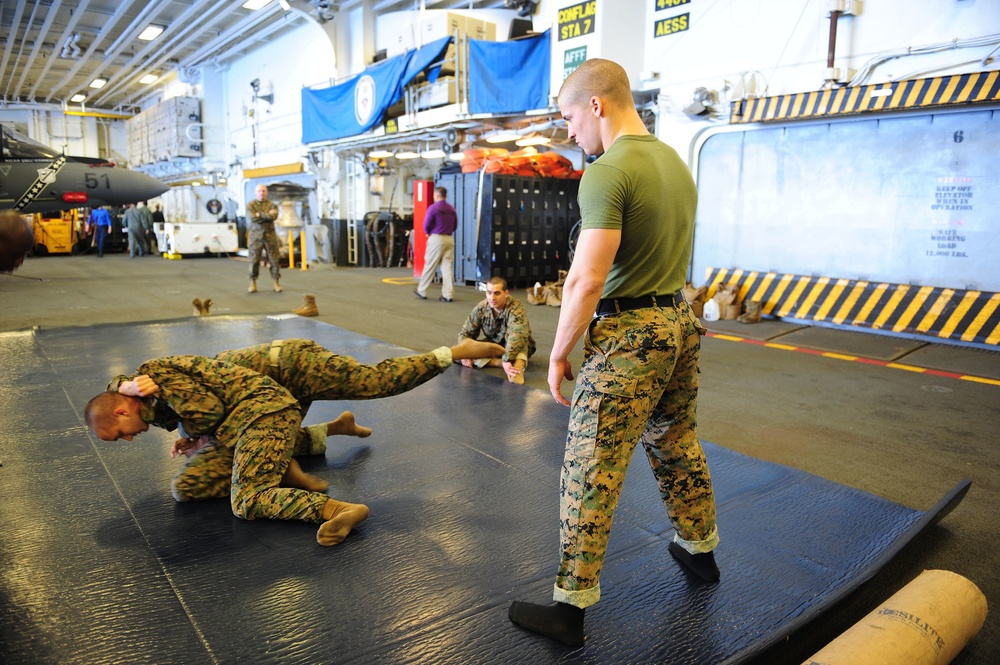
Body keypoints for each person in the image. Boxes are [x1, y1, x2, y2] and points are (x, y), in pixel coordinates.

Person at [508, 59, 720, 646]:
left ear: (597, 105)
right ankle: (700, 550)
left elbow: (585, 279)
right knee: (675, 438)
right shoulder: (674, 162)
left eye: (571, 118)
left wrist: (556, 354)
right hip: (679, 322)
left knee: (589, 464)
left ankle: (568, 611)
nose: (571, 133)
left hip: (630, 336)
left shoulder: (608, 171)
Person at [92, 337, 506, 546]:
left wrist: (194, 431)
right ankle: (330, 432)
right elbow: (179, 406)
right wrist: (192, 435)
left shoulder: (149, 380)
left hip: (290, 366)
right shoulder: (143, 395)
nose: (125, 441)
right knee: (197, 480)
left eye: (118, 435)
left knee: (373, 381)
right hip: (262, 394)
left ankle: (449, 353)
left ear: (123, 410)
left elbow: (209, 412)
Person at [458, 276, 536, 384]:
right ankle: (497, 363)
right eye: (489, 293)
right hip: (494, 345)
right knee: (456, 355)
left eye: (497, 293)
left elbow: (517, 336)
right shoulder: (482, 307)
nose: (492, 298)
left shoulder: (516, 308)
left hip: (517, 346)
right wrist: (464, 354)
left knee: (521, 344)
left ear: (506, 293)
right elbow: (466, 333)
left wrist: (507, 359)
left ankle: (516, 367)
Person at [414, 186, 457, 302]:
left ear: (436, 195)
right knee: (447, 267)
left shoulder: (433, 208)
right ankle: (448, 294)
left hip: (437, 239)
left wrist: (428, 233)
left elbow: (426, 225)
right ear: (445, 196)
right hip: (449, 239)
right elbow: (455, 226)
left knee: (430, 265)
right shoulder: (452, 209)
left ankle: (422, 291)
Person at [246, 184, 282, 293]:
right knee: (254, 260)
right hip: (255, 237)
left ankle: (276, 282)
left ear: (266, 192)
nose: (261, 193)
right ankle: (252, 282)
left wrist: (259, 214)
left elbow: (273, 217)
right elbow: (252, 217)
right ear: (255, 193)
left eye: (263, 191)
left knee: (274, 260)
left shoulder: (272, 205)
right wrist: (265, 215)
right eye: (259, 191)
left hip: (270, 236)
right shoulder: (250, 205)